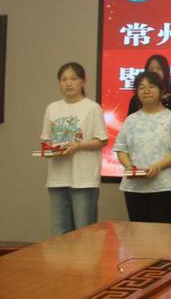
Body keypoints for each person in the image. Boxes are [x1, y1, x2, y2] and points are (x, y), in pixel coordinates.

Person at [41, 62, 108, 236]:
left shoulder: (92, 107)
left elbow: (101, 140)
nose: (68, 83)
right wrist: (51, 150)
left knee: (84, 233)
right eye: (63, 79)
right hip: (57, 177)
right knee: (59, 232)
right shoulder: (52, 108)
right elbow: (46, 139)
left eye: (73, 78)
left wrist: (77, 146)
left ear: (83, 81)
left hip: (83, 178)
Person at [114, 71, 171, 223]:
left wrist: (158, 166)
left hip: (164, 187)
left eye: (152, 86)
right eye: (141, 87)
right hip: (134, 188)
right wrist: (130, 167)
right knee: (138, 233)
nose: (146, 91)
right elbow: (121, 149)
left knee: (162, 233)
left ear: (162, 90)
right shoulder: (130, 120)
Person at [126, 54, 171, 130]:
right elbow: (129, 126)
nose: (154, 71)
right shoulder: (138, 97)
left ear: (165, 71)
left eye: (158, 68)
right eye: (151, 69)